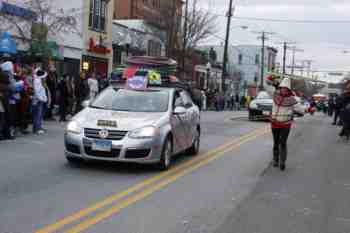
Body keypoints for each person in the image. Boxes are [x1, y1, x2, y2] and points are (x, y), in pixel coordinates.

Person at [270, 78, 300, 171]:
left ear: (288, 90)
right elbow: (269, 83)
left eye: (285, 88)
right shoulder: (275, 94)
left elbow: (300, 109)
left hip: (285, 124)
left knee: (282, 142)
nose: (283, 90)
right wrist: (271, 79)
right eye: (282, 88)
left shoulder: (292, 99)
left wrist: (307, 110)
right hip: (275, 123)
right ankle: (275, 159)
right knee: (276, 142)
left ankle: (282, 162)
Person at [32, 69, 48, 134]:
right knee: (37, 115)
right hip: (38, 101)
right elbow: (37, 92)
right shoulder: (37, 81)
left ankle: (39, 127)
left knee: (40, 115)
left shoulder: (40, 81)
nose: (45, 78)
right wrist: (42, 99)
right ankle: (36, 129)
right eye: (44, 77)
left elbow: (42, 91)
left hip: (41, 100)